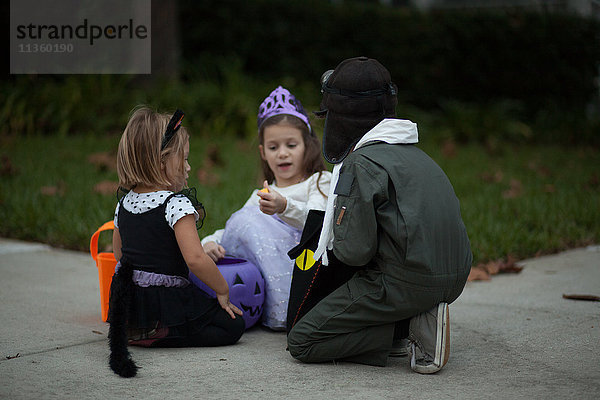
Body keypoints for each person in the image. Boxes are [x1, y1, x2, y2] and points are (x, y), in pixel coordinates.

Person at [286, 57, 472, 374]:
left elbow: (354, 252)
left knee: (303, 340)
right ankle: (416, 315)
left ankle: (408, 328)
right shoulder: (416, 153)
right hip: (454, 278)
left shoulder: (361, 163)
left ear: (338, 116)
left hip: (409, 282)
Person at [108, 107, 245, 378]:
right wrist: (221, 289)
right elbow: (195, 259)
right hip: (166, 302)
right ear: (161, 162)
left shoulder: (124, 203)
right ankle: (166, 332)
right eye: (184, 159)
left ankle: (140, 330)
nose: (189, 167)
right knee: (233, 326)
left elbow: (119, 253)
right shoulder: (176, 204)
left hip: (130, 305)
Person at [201, 86, 331, 330]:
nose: (282, 154)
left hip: (305, 274)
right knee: (244, 220)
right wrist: (208, 242)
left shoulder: (319, 182)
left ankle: (289, 306)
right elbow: (234, 228)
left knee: (248, 220)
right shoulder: (261, 195)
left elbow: (320, 223)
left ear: (308, 145)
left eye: (291, 145)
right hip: (270, 282)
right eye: (273, 147)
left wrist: (284, 207)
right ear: (263, 152)